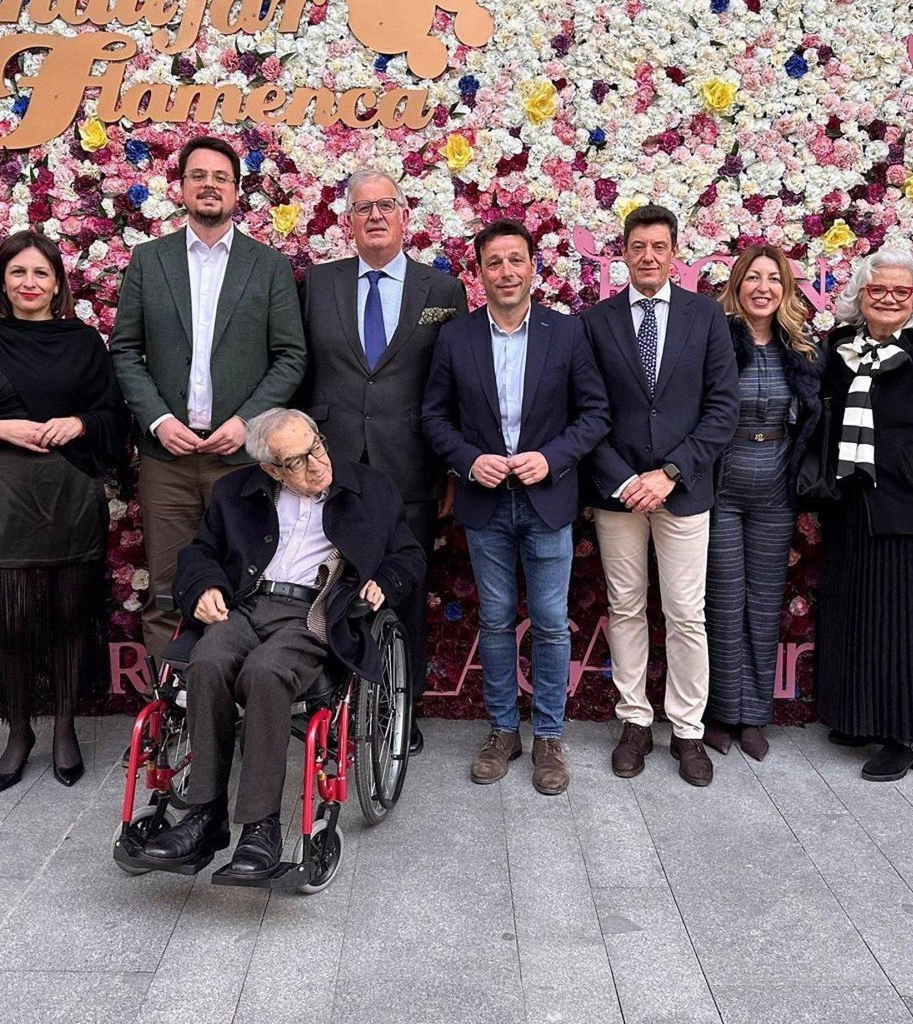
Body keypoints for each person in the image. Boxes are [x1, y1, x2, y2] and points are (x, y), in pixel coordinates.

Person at [135, 409, 425, 877]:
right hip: (245, 605)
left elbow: (408, 554)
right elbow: (199, 552)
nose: (317, 464)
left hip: (315, 613)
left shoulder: (370, 490)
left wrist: (386, 582)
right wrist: (206, 585)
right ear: (271, 468)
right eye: (297, 461)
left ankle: (260, 827)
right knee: (206, 662)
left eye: (317, 447)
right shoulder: (237, 492)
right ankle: (205, 815)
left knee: (266, 672)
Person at [422, 220, 610, 794]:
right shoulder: (457, 337)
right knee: (496, 621)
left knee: (551, 626)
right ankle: (503, 730)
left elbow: (595, 414)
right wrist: (466, 460)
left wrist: (552, 458)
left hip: (546, 501)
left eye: (516, 260)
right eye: (494, 263)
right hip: (484, 504)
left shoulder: (567, 333)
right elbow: (433, 416)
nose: (506, 272)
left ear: (534, 267)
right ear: (480, 273)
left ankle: (549, 736)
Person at [0, 233, 129, 793]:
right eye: (18, 272)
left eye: (40, 273)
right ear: (1, 281)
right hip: (5, 496)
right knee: (12, 624)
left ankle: (66, 729)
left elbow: (115, 419)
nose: (29, 283)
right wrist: (0, 427)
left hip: (70, 493)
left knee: (72, 619)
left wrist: (81, 424)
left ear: (58, 283)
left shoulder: (84, 342)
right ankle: (19, 732)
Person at [110, 134, 307, 660]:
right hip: (167, 458)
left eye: (221, 177)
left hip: (241, 459)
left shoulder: (267, 266)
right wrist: (156, 420)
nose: (209, 185)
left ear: (237, 191)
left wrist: (247, 423)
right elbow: (125, 351)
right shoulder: (149, 261)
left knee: (242, 586)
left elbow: (291, 356)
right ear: (180, 188)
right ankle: (174, 719)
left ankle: (230, 705)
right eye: (198, 175)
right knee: (169, 591)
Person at [297, 167, 467, 753]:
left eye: (386, 205)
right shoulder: (316, 284)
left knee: (404, 590)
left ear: (404, 217)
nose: (375, 215)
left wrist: (449, 468)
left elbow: (453, 385)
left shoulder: (440, 292)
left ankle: (401, 710)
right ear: (347, 222)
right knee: (329, 583)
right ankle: (328, 704)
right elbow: (300, 373)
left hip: (410, 466)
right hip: (329, 465)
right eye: (363, 207)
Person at [581, 206, 737, 787]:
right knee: (625, 608)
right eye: (638, 246)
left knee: (685, 614)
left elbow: (723, 409)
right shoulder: (596, 322)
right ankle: (634, 722)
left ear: (675, 253)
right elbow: (585, 412)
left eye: (659, 246)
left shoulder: (705, 318)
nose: (648, 256)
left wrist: (670, 473)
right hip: (618, 494)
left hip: (684, 490)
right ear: (622, 253)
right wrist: (625, 479)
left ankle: (688, 730)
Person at [813, 246, 913, 781]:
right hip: (848, 505)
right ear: (860, 293)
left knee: (906, 622)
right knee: (855, 614)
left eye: (900, 292)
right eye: (877, 289)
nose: (887, 298)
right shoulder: (837, 346)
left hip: (911, 509)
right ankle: (859, 717)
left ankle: (905, 735)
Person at [704, 244, 822, 762]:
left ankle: (753, 715)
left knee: (763, 602)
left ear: (785, 290)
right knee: (724, 603)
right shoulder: (715, 342)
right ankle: (721, 714)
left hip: (776, 487)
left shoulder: (800, 350)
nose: (762, 287)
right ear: (736, 286)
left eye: (773, 279)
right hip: (723, 486)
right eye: (752, 277)